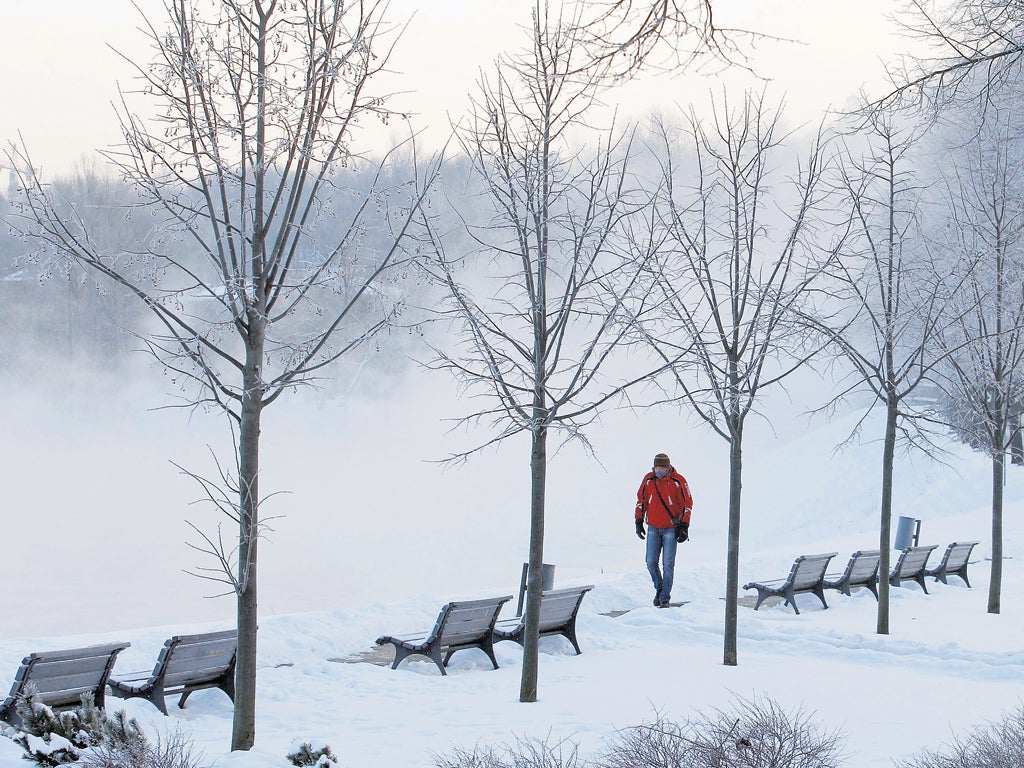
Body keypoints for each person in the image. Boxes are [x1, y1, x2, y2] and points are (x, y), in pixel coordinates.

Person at [635, 452, 693, 607]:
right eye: (656, 468)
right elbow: (641, 500)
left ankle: (664, 597)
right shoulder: (648, 479)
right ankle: (660, 587)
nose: (659, 471)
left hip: (671, 528)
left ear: (668, 468)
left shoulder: (678, 481)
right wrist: (638, 520)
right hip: (653, 527)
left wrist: (684, 525)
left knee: (668, 564)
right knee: (650, 562)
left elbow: (687, 504)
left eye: (662, 468)